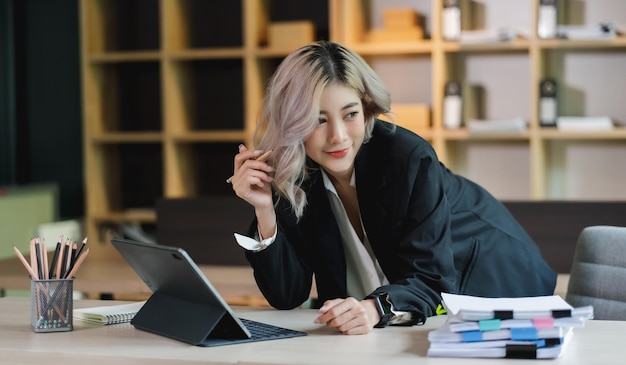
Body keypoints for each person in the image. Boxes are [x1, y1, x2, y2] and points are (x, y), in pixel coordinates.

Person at [228, 40, 556, 335]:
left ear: (368, 107)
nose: (338, 136)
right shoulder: (294, 173)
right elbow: (288, 295)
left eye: (351, 114)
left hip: (492, 276)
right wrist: (264, 209)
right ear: (294, 122)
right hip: (411, 312)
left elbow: (432, 279)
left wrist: (374, 309)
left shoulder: (408, 158)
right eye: (319, 119)